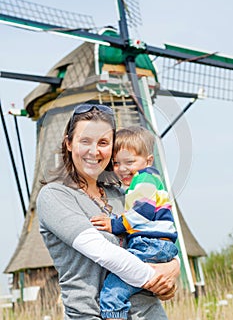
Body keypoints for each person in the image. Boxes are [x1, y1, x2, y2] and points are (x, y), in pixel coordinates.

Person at [37, 103, 180, 320]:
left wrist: (172, 267)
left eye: (103, 143)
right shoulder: (55, 196)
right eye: (85, 141)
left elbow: (155, 237)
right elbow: (102, 251)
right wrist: (156, 277)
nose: (94, 151)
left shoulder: (123, 194)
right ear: (68, 143)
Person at [91, 126, 179, 320]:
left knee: (112, 293)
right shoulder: (142, 183)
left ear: (148, 160)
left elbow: (143, 211)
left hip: (149, 245)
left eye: (129, 161)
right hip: (157, 245)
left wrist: (115, 225)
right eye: (116, 163)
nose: (122, 169)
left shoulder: (146, 179)